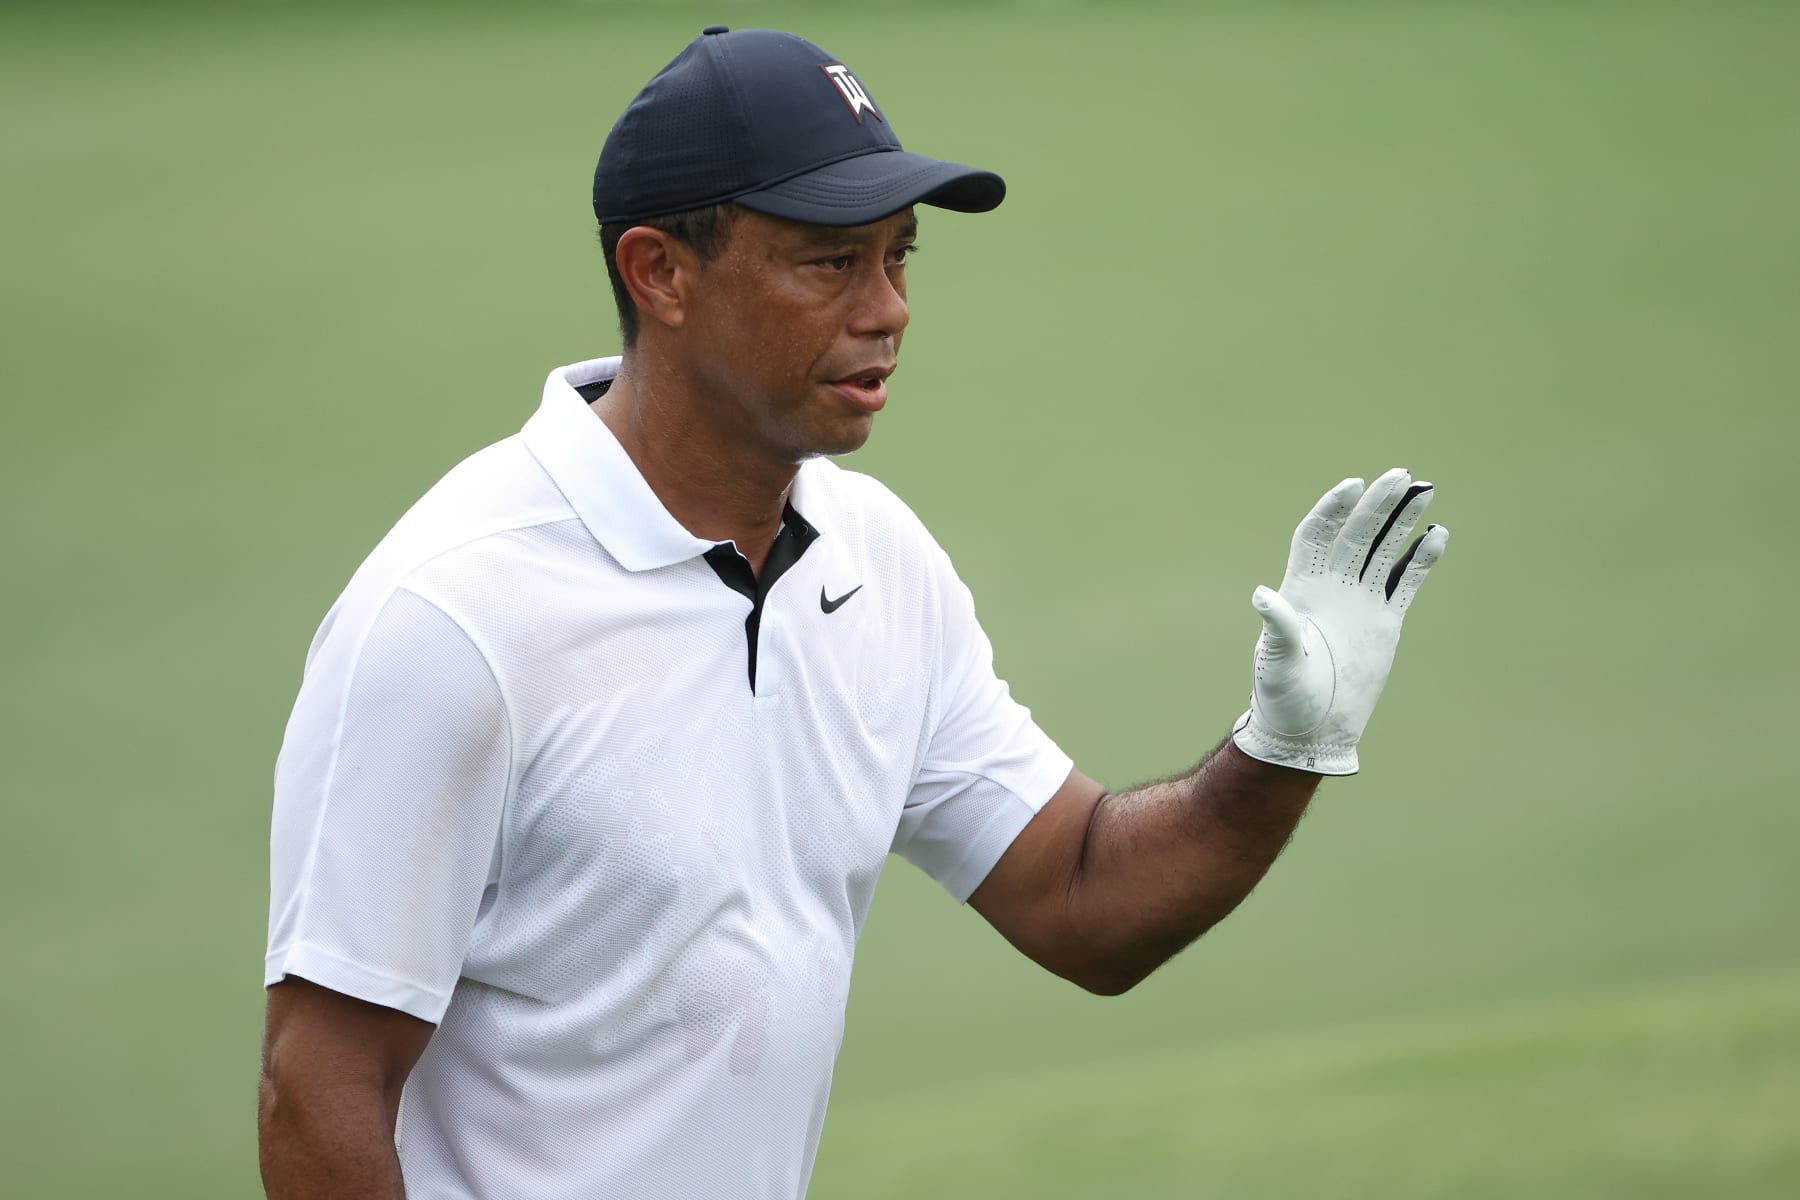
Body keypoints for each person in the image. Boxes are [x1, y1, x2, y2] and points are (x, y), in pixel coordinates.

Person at [257, 26, 1450, 1200]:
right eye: (830, 262)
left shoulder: (877, 561)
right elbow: (316, 1095)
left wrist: (1280, 751)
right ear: (660, 274)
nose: (889, 309)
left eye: (899, 257)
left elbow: (1084, 901)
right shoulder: (454, 617)